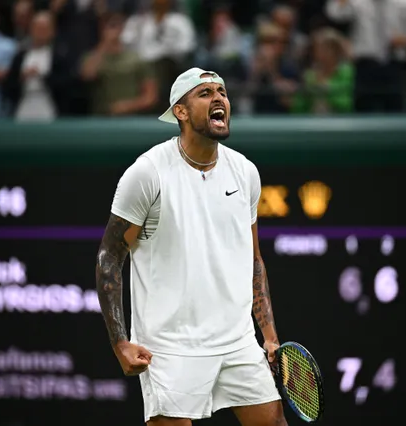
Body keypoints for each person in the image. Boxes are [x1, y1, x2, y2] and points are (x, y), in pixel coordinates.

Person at [95, 67, 286, 426]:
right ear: (180, 112)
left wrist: (270, 335)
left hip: (237, 341)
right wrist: (120, 342)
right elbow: (109, 258)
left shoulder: (245, 172)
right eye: (205, 93)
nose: (219, 98)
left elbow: (254, 260)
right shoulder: (148, 173)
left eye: (223, 92)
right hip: (169, 347)